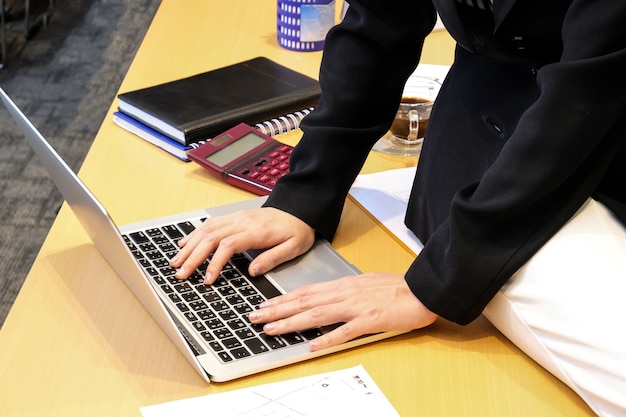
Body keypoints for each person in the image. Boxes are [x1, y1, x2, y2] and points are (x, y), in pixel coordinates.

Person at [171, 0, 626, 415]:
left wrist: (435, 284)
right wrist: (305, 194)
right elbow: (380, 22)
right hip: (475, 145)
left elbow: (587, 95)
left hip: (589, 136)